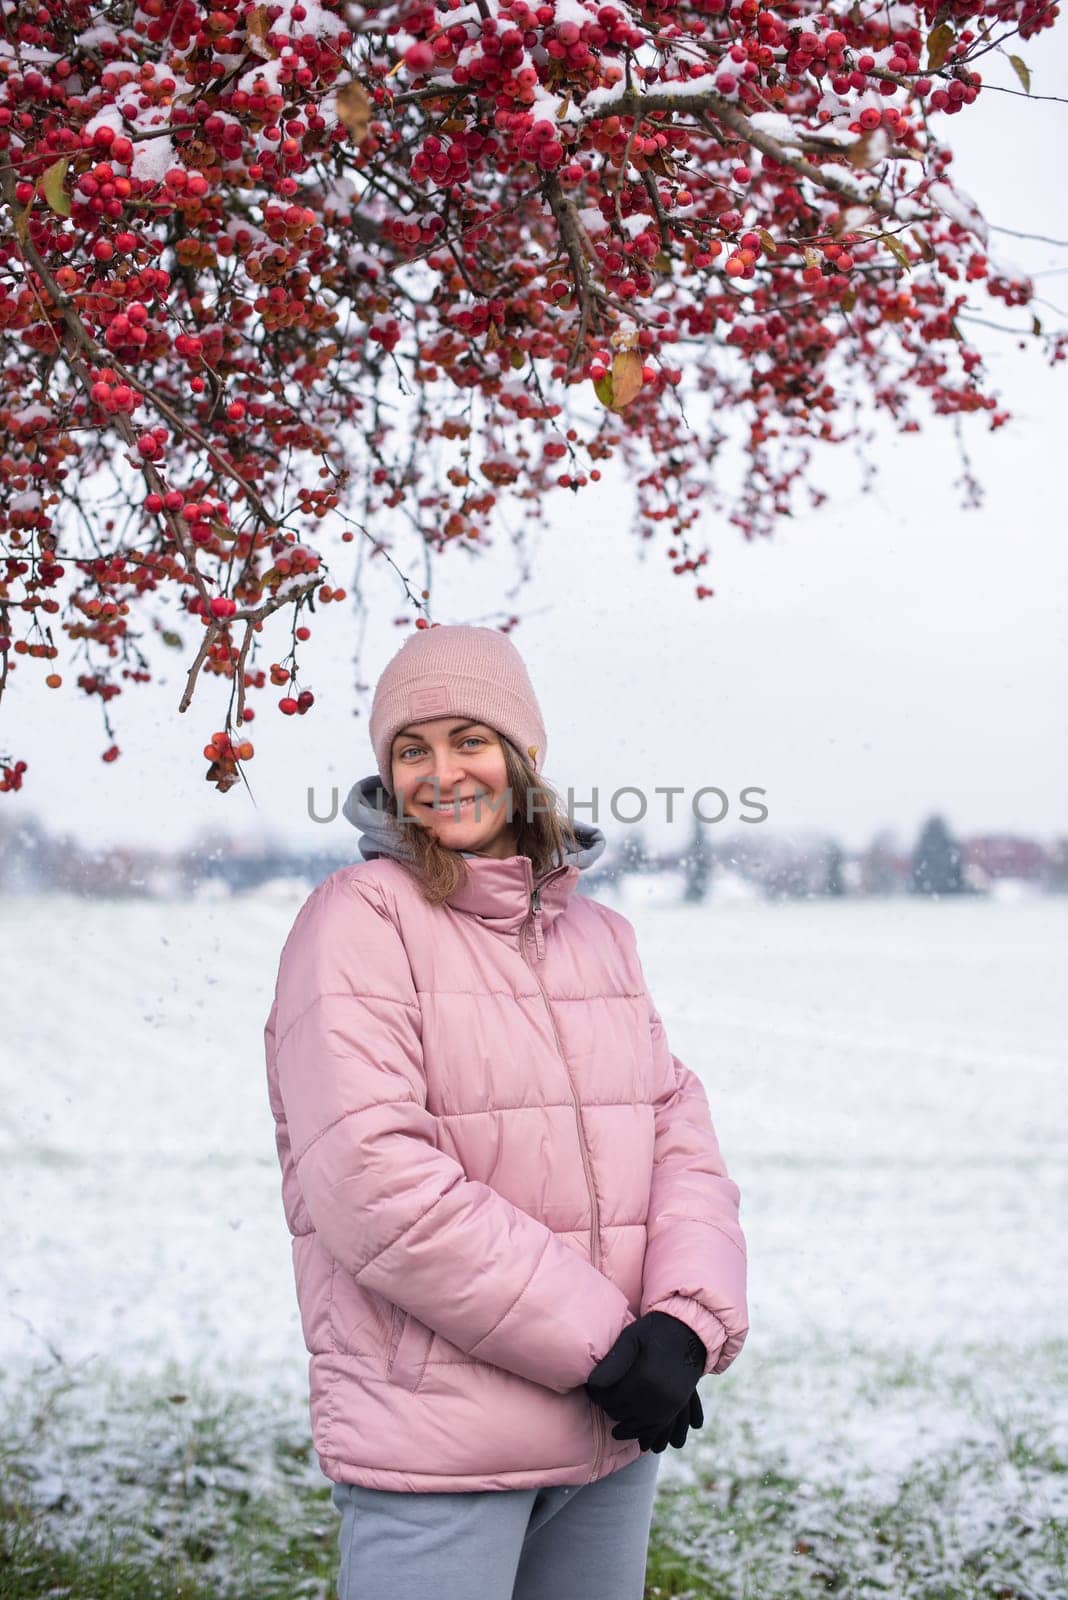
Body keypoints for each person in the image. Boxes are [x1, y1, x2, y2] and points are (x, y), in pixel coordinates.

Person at [263, 622, 749, 1600]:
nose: (441, 771)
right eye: (410, 748)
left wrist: (684, 1325)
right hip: (439, 1440)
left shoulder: (598, 934)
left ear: (524, 757)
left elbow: (674, 1131)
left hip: (609, 1437)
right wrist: (602, 1346)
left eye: (469, 738)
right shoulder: (358, 918)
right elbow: (377, 1184)